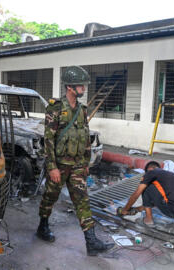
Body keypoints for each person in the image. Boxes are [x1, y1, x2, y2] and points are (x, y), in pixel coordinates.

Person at [36, 66, 114, 256]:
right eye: (81, 85)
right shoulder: (56, 107)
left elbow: (85, 137)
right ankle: (42, 226)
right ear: (70, 87)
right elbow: (48, 140)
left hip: (77, 166)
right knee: (50, 197)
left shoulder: (82, 110)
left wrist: (86, 163)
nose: (84, 88)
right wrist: (52, 167)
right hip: (60, 165)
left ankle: (91, 242)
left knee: (82, 201)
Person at [120, 161, 174, 226]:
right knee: (160, 195)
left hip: (172, 210)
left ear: (149, 169)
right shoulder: (170, 175)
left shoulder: (151, 172)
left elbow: (136, 194)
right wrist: (136, 209)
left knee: (146, 187)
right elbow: (156, 202)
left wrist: (125, 209)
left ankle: (148, 220)